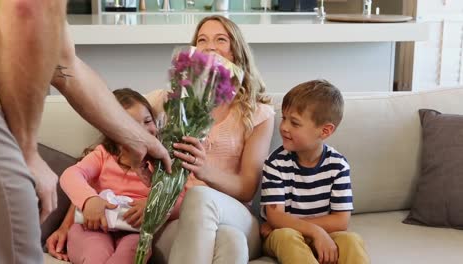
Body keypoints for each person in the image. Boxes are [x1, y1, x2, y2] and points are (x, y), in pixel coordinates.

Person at [0, 1, 171, 262]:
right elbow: (28, 11)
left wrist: (140, 141)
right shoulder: (102, 155)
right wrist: (28, 152)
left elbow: (64, 65)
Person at [154, 15, 275, 264]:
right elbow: (121, 113)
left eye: (221, 39)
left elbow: (246, 188)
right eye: (202, 40)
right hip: (180, 218)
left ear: (236, 52)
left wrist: (204, 170)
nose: (210, 46)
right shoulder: (170, 101)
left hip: (236, 214)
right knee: (231, 243)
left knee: (199, 196)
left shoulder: (258, 112)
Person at [58, 88, 184, 263]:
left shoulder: (162, 162)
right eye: (131, 125)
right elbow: (70, 175)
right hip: (93, 227)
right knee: (95, 254)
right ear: (112, 130)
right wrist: (89, 200)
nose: (143, 131)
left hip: (135, 232)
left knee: (130, 255)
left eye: (147, 121)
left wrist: (154, 204)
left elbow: (182, 197)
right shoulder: (102, 155)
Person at [259, 80, 369, 264]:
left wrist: (315, 232)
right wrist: (314, 230)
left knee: (351, 240)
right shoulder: (275, 163)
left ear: (325, 131)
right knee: (286, 235)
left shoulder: (338, 165)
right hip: (285, 235)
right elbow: (275, 216)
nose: (284, 127)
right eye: (284, 118)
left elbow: (341, 221)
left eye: (294, 123)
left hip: (323, 236)